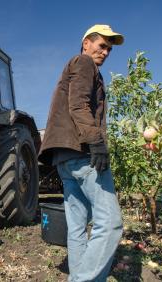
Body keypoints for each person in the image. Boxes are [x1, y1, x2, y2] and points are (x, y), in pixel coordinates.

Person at [38, 25, 124, 282]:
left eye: (109, 48)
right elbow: (78, 105)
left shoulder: (75, 66)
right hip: (82, 154)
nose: (106, 52)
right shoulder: (84, 62)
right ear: (86, 43)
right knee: (110, 224)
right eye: (102, 45)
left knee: (77, 227)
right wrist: (97, 142)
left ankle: (77, 275)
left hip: (65, 159)